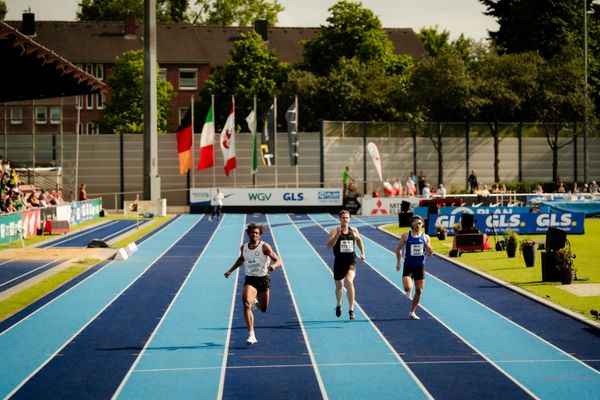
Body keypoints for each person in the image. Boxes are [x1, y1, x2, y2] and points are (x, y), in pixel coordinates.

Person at [224, 223, 281, 345]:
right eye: (252, 232)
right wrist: (230, 270)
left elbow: (278, 260)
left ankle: (256, 302)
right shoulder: (243, 247)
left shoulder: (264, 247)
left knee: (264, 309)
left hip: (263, 279)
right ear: (248, 233)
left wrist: (274, 266)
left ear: (259, 235)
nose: (254, 234)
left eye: (256, 233)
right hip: (250, 279)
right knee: (245, 303)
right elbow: (241, 259)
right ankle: (251, 335)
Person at [327, 209, 366, 320]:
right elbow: (329, 246)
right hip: (339, 262)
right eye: (343, 218)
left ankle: (351, 309)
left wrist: (363, 253)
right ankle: (339, 304)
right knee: (339, 287)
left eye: (347, 217)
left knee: (349, 280)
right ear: (340, 219)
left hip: (351, 261)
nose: (345, 219)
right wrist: (337, 236)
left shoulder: (354, 230)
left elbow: (359, 240)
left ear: (349, 219)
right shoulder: (334, 231)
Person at [395, 215, 434, 320]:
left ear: (422, 225)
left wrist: (430, 251)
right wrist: (398, 262)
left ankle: (412, 312)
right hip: (408, 265)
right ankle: (409, 288)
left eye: (420, 223)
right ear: (412, 224)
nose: (418, 224)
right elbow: (398, 249)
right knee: (407, 287)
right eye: (416, 223)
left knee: (419, 291)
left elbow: (430, 254)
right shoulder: (406, 235)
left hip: (420, 265)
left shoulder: (426, 237)